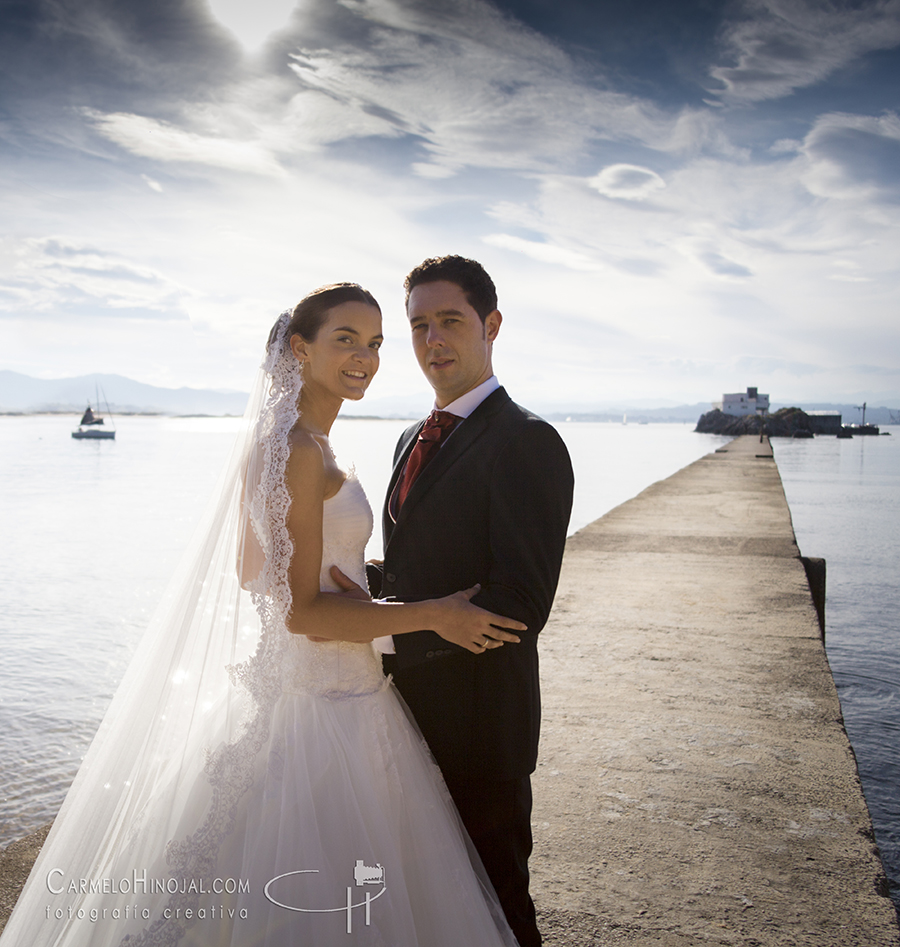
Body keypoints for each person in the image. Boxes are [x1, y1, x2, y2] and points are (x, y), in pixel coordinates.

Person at [0, 283, 526, 947]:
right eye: (346, 339)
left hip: (346, 693)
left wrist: (357, 597)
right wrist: (431, 614)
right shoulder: (301, 452)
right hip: (320, 707)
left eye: (375, 343)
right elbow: (302, 614)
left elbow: (258, 575)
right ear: (300, 349)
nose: (365, 356)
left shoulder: (303, 445)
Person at [365, 256, 575, 947]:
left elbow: (519, 602)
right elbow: (415, 567)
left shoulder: (527, 440)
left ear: (491, 326)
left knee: (496, 912)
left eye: (449, 321)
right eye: (418, 325)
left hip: (481, 733)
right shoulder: (409, 437)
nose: (432, 339)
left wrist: (391, 633)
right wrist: (345, 586)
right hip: (404, 723)